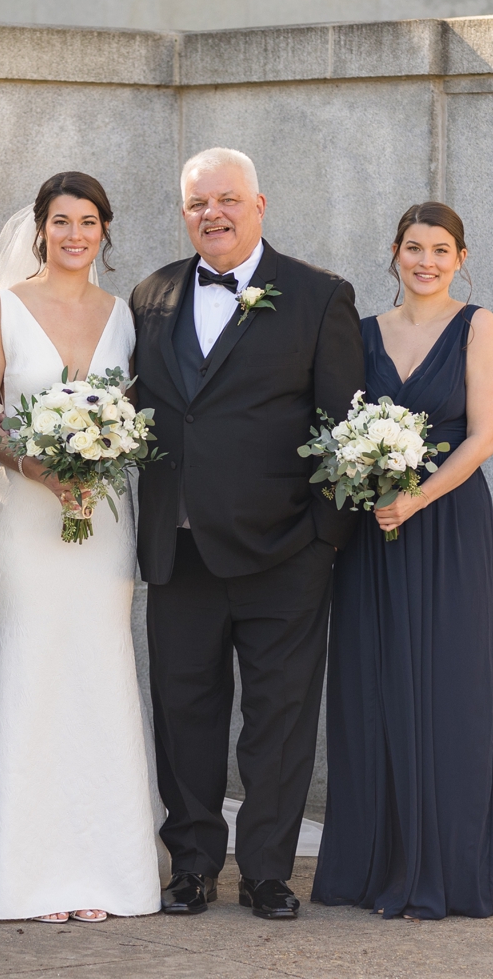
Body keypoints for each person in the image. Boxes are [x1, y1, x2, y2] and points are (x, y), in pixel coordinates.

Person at [130, 148, 364, 920]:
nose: (213, 215)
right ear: (184, 212)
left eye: (227, 200)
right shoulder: (151, 293)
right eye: (198, 203)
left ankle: (267, 870)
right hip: (181, 550)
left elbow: (343, 425)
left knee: (279, 720)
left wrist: (323, 537)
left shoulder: (318, 295)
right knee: (185, 718)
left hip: (285, 552)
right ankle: (192, 864)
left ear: (260, 204)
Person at [0, 172, 161, 923]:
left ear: (105, 229)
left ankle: (101, 870)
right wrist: (38, 467)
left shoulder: (124, 315)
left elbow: (133, 416)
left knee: (97, 675)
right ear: (39, 228)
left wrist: (97, 463)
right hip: (24, 519)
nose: (76, 234)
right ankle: (25, 873)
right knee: (32, 671)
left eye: (90, 221)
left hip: (101, 524)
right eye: (62, 221)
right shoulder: (1, 309)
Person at [312, 202, 493, 920]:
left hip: (447, 526)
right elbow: (338, 424)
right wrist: (370, 481)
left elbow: (484, 437)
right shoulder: (364, 332)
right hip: (374, 531)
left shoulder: (478, 326)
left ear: (460, 258)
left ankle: (453, 869)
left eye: (440, 249)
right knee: (372, 687)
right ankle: (374, 866)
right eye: (413, 248)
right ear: (394, 253)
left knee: (447, 686)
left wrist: (418, 497)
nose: (426, 261)